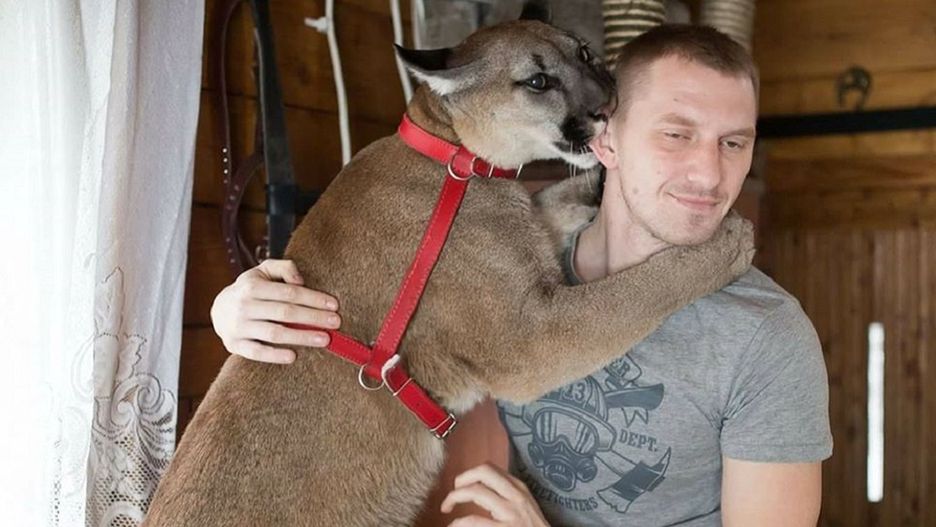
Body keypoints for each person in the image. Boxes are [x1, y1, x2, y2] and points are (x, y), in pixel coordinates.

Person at [208, 25, 832, 526]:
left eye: (734, 143)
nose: (709, 175)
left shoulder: (767, 338)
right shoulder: (507, 257)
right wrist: (240, 314)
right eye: (676, 134)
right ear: (604, 139)